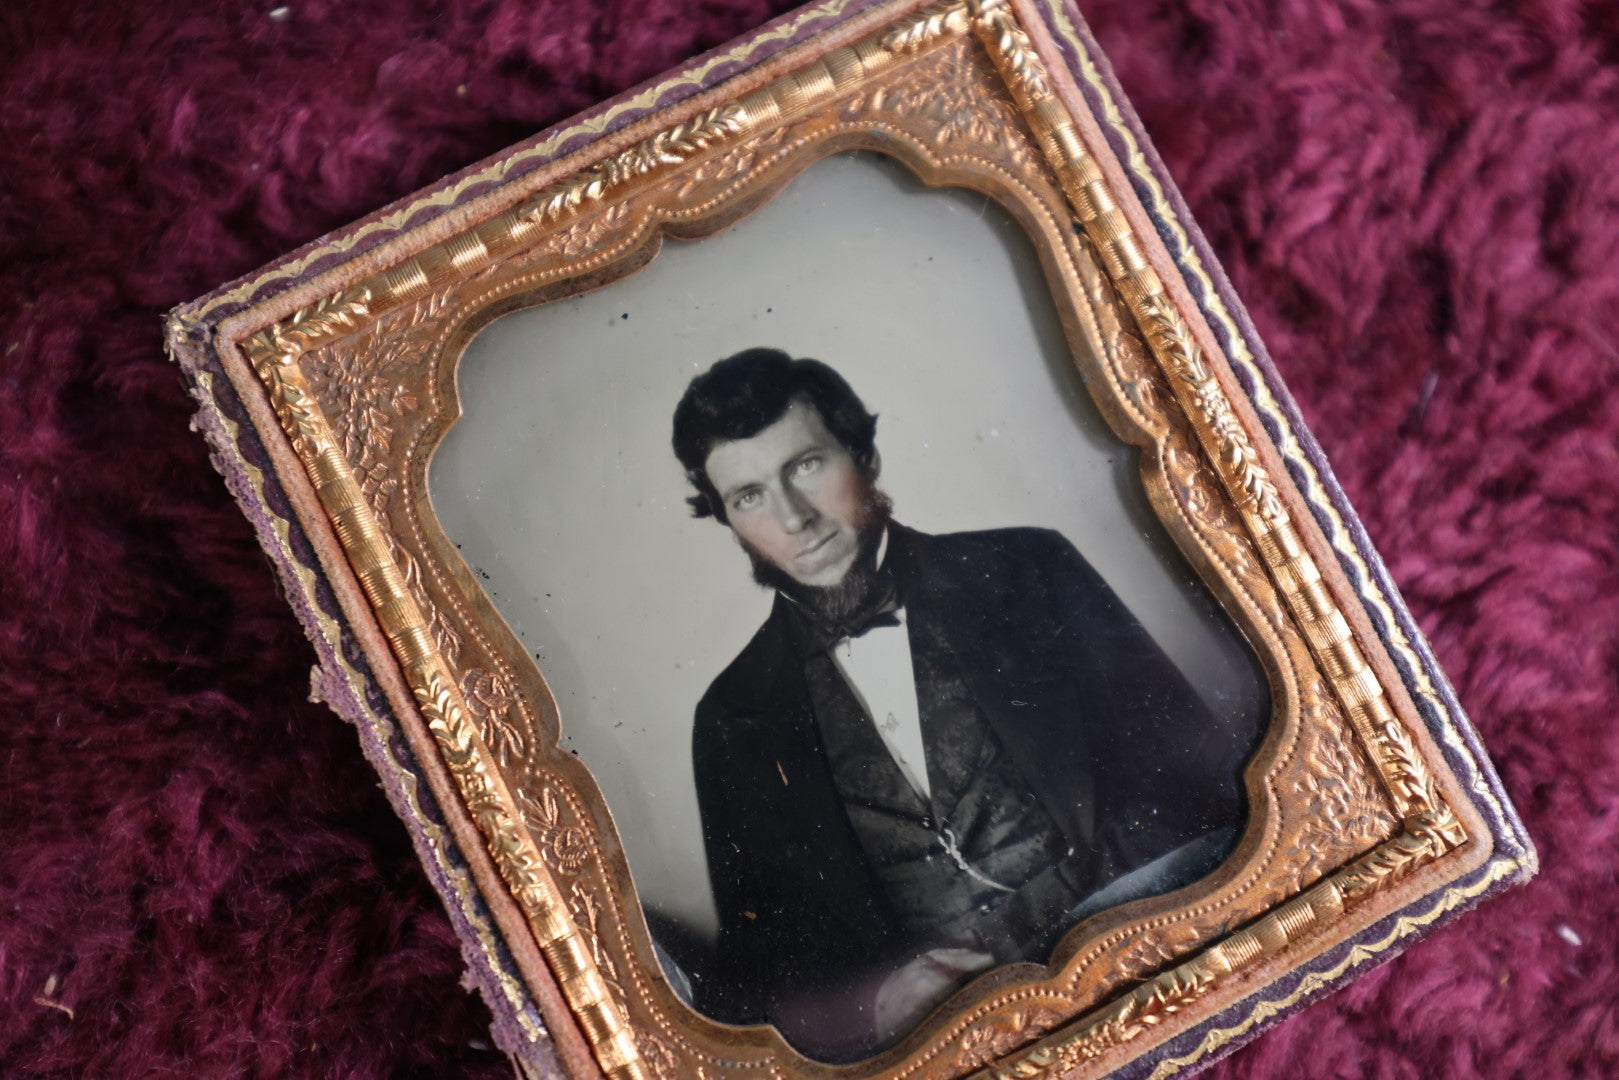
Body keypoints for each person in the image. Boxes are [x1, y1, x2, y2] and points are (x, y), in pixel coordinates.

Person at [670, 348, 1258, 1060]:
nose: (793, 518)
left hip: (1156, 975)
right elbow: (762, 978)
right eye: (749, 495)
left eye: (805, 466)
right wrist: (877, 1002)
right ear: (726, 520)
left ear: (862, 454)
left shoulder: (1028, 569)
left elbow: (1194, 785)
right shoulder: (731, 717)